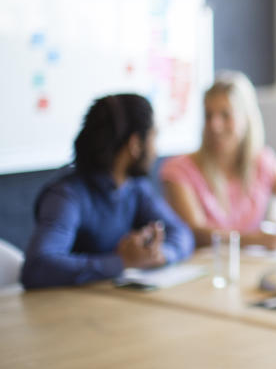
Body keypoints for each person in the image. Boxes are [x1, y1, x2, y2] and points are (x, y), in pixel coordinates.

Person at [20, 94, 194, 288]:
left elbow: (182, 233)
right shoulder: (67, 195)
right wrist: (122, 262)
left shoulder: (135, 187)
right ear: (135, 144)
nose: (156, 150)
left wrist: (159, 254)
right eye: (154, 137)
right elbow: (37, 267)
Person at [161, 71, 276, 249]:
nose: (215, 125)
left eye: (225, 115)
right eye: (208, 116)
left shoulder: (261, 162)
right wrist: (256, 240)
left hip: (248, 267)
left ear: (246, 118)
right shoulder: (179, 170)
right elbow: (197, 233)